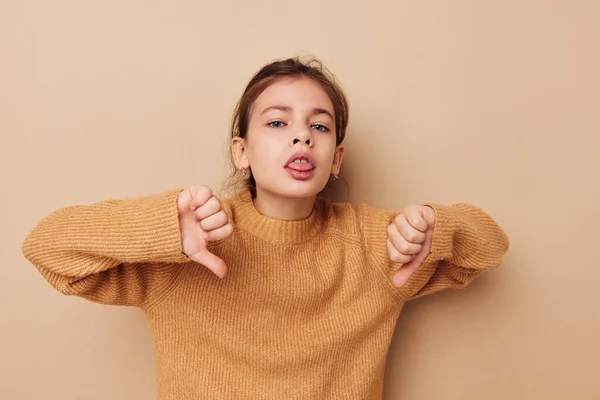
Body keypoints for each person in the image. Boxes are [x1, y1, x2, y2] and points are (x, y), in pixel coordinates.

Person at [22, 56, 510, 399]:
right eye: (277, 123)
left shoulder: (376, 243)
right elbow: (46, 247)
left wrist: (434, 231)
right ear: (242, 152)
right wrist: (164, 228)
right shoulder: (192, 240)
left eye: (319, 127)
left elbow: (491, 246)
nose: (301, 134)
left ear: (335, 158)